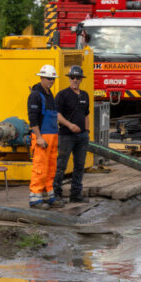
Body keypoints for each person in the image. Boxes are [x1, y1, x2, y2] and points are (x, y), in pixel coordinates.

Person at [52, 65, 90, 204]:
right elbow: (57, 114)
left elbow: (86, 115)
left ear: (81, 79)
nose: (75, 80)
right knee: (61, 165)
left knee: (80, 165)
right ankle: (56, 194)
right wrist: (70, 125)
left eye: (77, 78)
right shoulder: (62, 95)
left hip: (82, 137)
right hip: (66, 135)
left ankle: (76, 194)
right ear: (69, 79)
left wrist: (86, 131)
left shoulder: (85, 95)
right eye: (72, 77)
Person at [27, 64, 63, 210]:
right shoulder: (35, 95)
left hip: (52, 137)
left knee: (50, 168)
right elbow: (33, 118)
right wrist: (39, 137)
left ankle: (49, 196)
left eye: (53, 78)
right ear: (41, 77)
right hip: (42, 137)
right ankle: (35, 198)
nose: (51, 81)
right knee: (40, 168)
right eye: (49, 78)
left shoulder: (49, 94)